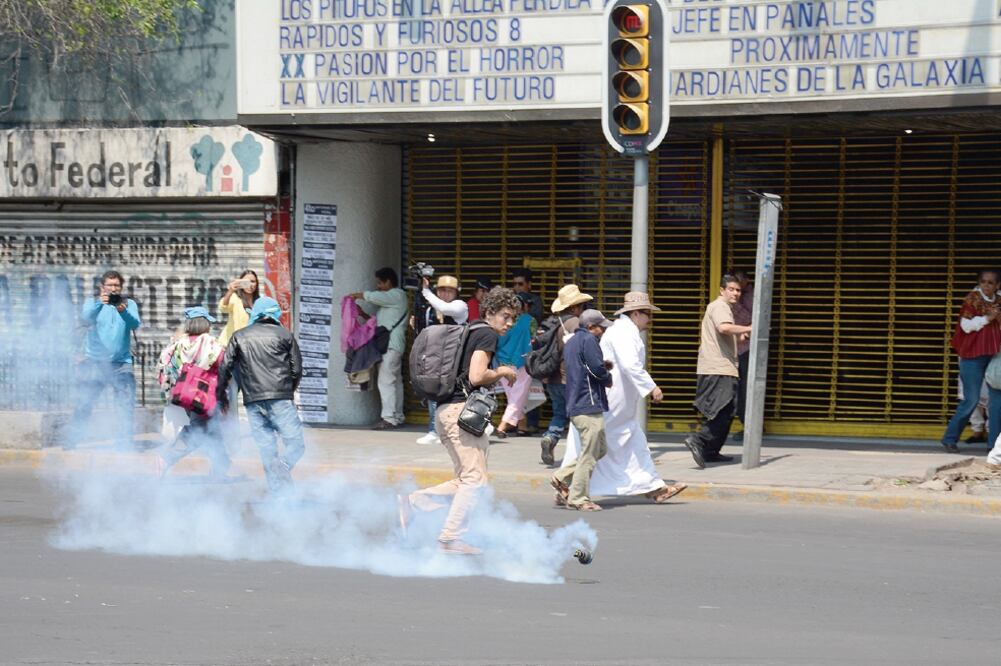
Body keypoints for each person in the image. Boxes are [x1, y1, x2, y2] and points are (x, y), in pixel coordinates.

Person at [398, 287, 521, 555]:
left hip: (446, 412)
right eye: (505, 316)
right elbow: (477, 376)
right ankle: (450, 539)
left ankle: (415, 502)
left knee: (467, 479)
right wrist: (502, 371)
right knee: (475, 481)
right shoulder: (486, 333)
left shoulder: (471, 329)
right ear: (490, 312)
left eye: (513, 318)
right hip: (461, 413)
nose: (509, 323)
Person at [560, 292, 686, 504]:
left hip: (620, 401)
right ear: (636, 313)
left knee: (631, 441)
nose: (650, 319)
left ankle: (653, 487)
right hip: (612, 400)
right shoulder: (624, 332)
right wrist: (652, 387)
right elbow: (630, 365)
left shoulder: (625, 330)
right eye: (647, 314)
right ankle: (566, 484)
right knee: (595, 443)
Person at [217, 297, 305, 492]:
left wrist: (221, 395)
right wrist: (287, 390)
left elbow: (225, 368)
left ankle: (278, 496)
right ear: (275, 314)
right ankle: (283, 468)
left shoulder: (239, 336)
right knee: (297, 445)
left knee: (268, 451)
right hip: (280, 398)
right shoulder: (285, 335)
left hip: (252, 401)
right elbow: (297, 369)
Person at [68, 270, 142, 450]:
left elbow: (135, 324)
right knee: (85, 402)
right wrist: (100, 304)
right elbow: (85, 318)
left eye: (117, 285)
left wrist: (122, 310)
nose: (113, 288)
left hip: (121, 363)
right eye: (110, 285)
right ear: (102, 287)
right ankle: (73, 440)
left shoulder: (128, 304)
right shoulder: (92, 302)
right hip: (95, 363)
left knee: (125, 405)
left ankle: (124, 443)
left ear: (121, 287)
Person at [685, 275, 752, 469]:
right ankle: (699, 440)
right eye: (731, 289)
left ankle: (711, 451)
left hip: (722, 367)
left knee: (727, 409)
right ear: (722, 290)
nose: (735, 293)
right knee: (722, 409)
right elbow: (724, 328)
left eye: (738, 290)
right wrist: (749, 328)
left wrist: (740, 336)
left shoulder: (720, 308)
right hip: (718, 367)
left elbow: (722, 334)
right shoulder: (720, 306)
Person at [155, 307, 231, 479]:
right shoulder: (212, 344)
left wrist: (174, 389)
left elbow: (163, 368)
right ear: (204, 324)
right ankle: (166, 458)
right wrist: (224, 398)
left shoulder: (177, 345)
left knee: (212, 428)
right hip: (205, 397)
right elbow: (223, 369)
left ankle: (221, 465)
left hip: (182, 396)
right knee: (199, 429)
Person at [550, 310, 613, 511]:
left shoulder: (573, 341)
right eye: (600, 327)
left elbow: (583, 367)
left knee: (599, 449)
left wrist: (601, 367)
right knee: (591, 452)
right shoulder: (589, 340)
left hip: (577, 402)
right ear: (590, 327)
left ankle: (561, 477)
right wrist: (607, 377)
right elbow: (595, 369)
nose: (602, 330)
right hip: (588, 402)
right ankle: (578, 497)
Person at [942, 270, 1001, 452]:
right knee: (971, 399)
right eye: (983, 282)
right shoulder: (972, 299)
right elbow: (966, 326)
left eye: (990, 283)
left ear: (997, 285)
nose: (986, 285)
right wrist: (987, 318)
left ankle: (994, 446)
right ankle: (950, 439)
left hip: (994, 356)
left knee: (997, 402)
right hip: (972, 356)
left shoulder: (999, 301)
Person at [348, 267, 408, 430]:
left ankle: (389, 418)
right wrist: (362, 314)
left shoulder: (397, 295)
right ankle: (397, 416)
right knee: (395, 383)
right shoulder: (391, 301)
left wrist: (357, 295)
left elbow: (375, 297)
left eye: (380, 283)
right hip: (392, 346)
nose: (379, 286)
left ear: (389, 281)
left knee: (386, 382)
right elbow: (379, 324)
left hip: (391, 346)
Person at [539, 284, 592, 466]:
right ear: (575, 307)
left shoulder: (551, 323)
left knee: (559, 413)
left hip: (552, 379)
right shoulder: (575, 324)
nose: (583, 309)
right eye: (581, 306)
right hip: (569, 379)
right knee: (579, 417)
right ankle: (579, 452)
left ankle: (550, 436)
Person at [415, 275, 469, 446]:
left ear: (456, 292)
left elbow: (445, 309)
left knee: (458, 395)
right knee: (433, 392)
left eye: (449, 290)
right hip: (435, 357)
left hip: (456, 358)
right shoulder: (431, 309)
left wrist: (425, 291)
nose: (445, 293)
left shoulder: (460, 306)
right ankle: (434, 430)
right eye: (442, 290)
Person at [217, 269, 260, 451]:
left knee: (254, 397)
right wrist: (230, 290)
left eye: (254, 282)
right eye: (247, 281)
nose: (250, 285)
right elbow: (222, 307)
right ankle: (231, 440)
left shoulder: (259, 302)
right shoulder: (235, 298)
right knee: (231, 397)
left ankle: (258, 436)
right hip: (231, 353)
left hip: (250, 355)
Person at [494, 292, 535, 438]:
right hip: (522, 363)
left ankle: (522, 426)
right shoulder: (530, 320)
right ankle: (502, 426)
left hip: (503, 362)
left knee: (513, 396)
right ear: (524, 305)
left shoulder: (502, 320)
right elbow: (535, 339)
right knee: (517, 397)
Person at [731, 269, 754, 436]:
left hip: (747, 348)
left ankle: (749, 426)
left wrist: (735, 303)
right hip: (733, 348)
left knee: (746, 389)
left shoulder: (750, 295)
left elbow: (750, 317)